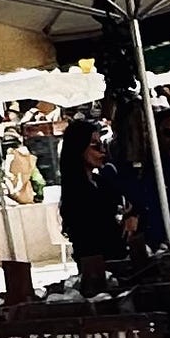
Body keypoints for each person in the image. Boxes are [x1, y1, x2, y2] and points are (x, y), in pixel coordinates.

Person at [57, 118, 129, 278]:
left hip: (119, 260)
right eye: (95, 145)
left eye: (102, 144)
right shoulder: (76, 192)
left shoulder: (102, 182)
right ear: (79, 148)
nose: (102, 150)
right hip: (97, 269)